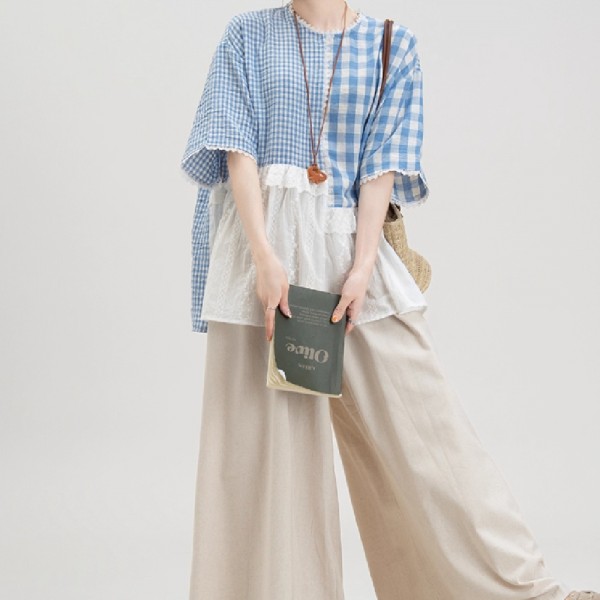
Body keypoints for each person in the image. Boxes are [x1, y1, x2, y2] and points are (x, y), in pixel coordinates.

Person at [180, 1, 596, 599]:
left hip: (350, 250)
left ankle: (516, 591)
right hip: (261, 260)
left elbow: (381, 170)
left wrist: (363, 266)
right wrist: (264, 256)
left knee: (428, 435)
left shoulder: (392, 46)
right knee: (260, 459)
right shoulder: (247, 35)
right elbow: (235, 150)